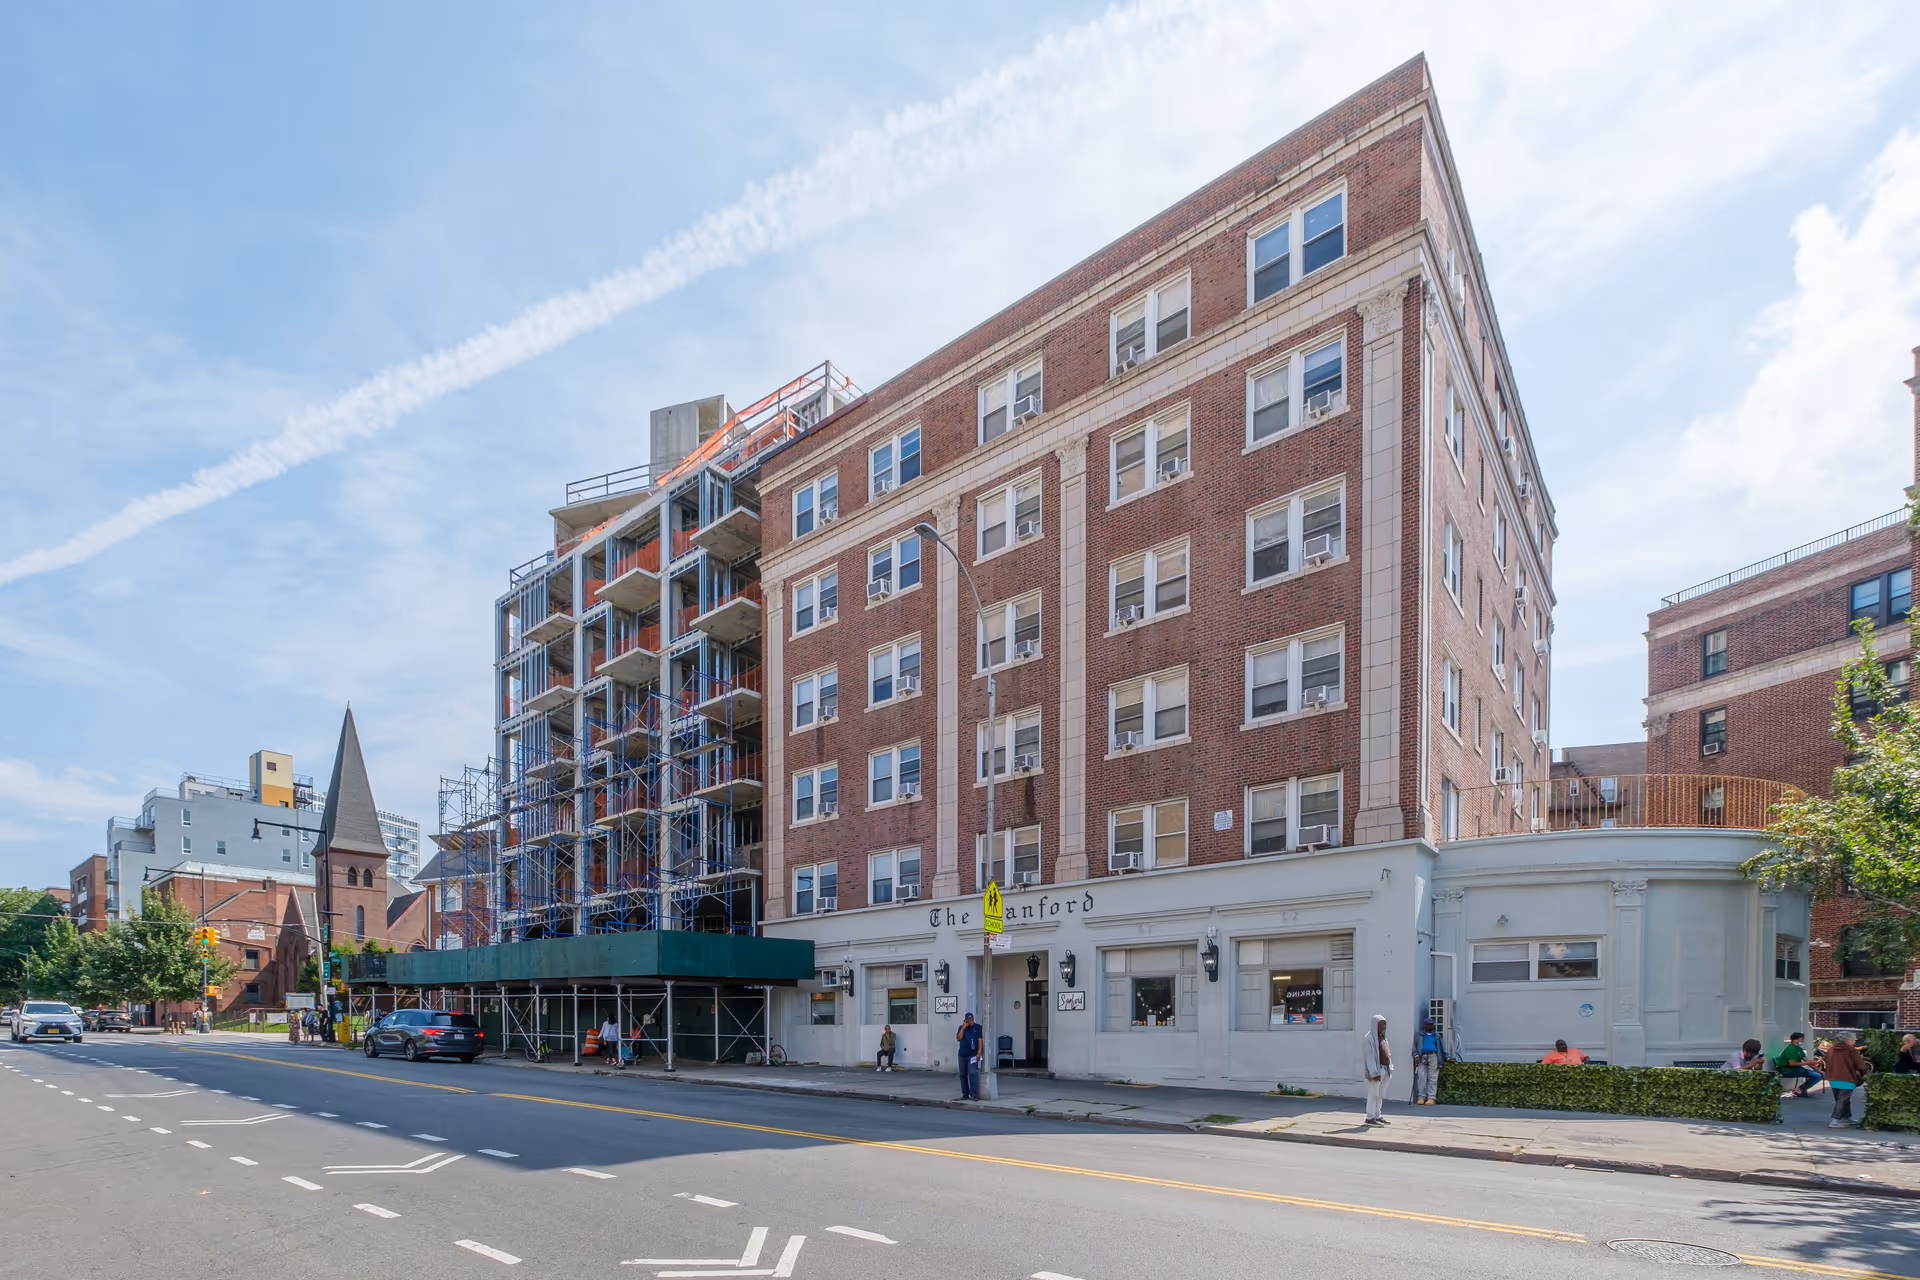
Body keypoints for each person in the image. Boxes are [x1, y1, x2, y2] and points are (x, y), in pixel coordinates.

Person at [1821, 1031, 1872, 1128]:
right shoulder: (1850, 1050)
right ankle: (1835, 1120)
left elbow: (1825, 1060)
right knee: (1843, 1100)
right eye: (1853, 1040)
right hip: (1847, 1077)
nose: (1854, 1042)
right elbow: (1860, 1064)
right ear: (1849, 1040)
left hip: (1833, 1077)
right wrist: (1863, 1073)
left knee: (1841, 1099)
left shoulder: (1831, 1049)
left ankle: (1846, 1118)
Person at [1360, 1014, 1392, 1125]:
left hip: (1385, 1070)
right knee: (1373, 1094)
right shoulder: (1369, 1038)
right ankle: (1370, 1117)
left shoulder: (1383, 1037)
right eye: (1381, 1024)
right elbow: (1369, 1057)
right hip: (1376, 1072)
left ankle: (1377, 1115)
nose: (1383, 1026)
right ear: (1375, 1025)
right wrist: (1374, 1073)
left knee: (1380, 1095)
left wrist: (1390, 1068)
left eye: (1384, 1024)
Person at [1412, 1018, 1441, 1105]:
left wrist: (1447, 1057)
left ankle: (1431, 1098)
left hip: (1433, 1056)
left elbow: (1441, 1048)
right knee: (1422, 1077)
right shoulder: (1420, 1035)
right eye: (1429, 1024)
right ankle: (1421, 1097)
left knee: (1432, 1078)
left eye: (1432, 1024)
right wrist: (1416, 1056)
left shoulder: (1436, 1035)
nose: (1431, 1026)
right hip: (1422, 1057)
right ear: (1425, 1025)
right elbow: (1414, 1048)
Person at [955, 1013, 983, 1100]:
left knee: (972, 1073)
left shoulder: (978, 1027)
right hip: (962, 1054)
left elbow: (980, 1040)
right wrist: (963, 1027)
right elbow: (958, 1038)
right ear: (965, 1020)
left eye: (972, 1019)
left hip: (972, 1055)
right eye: (969, 1020)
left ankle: (974, 1094)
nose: (971, 1022)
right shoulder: (961, 1028)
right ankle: (965, 1094)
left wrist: (979, 1052)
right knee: (963, 1075)